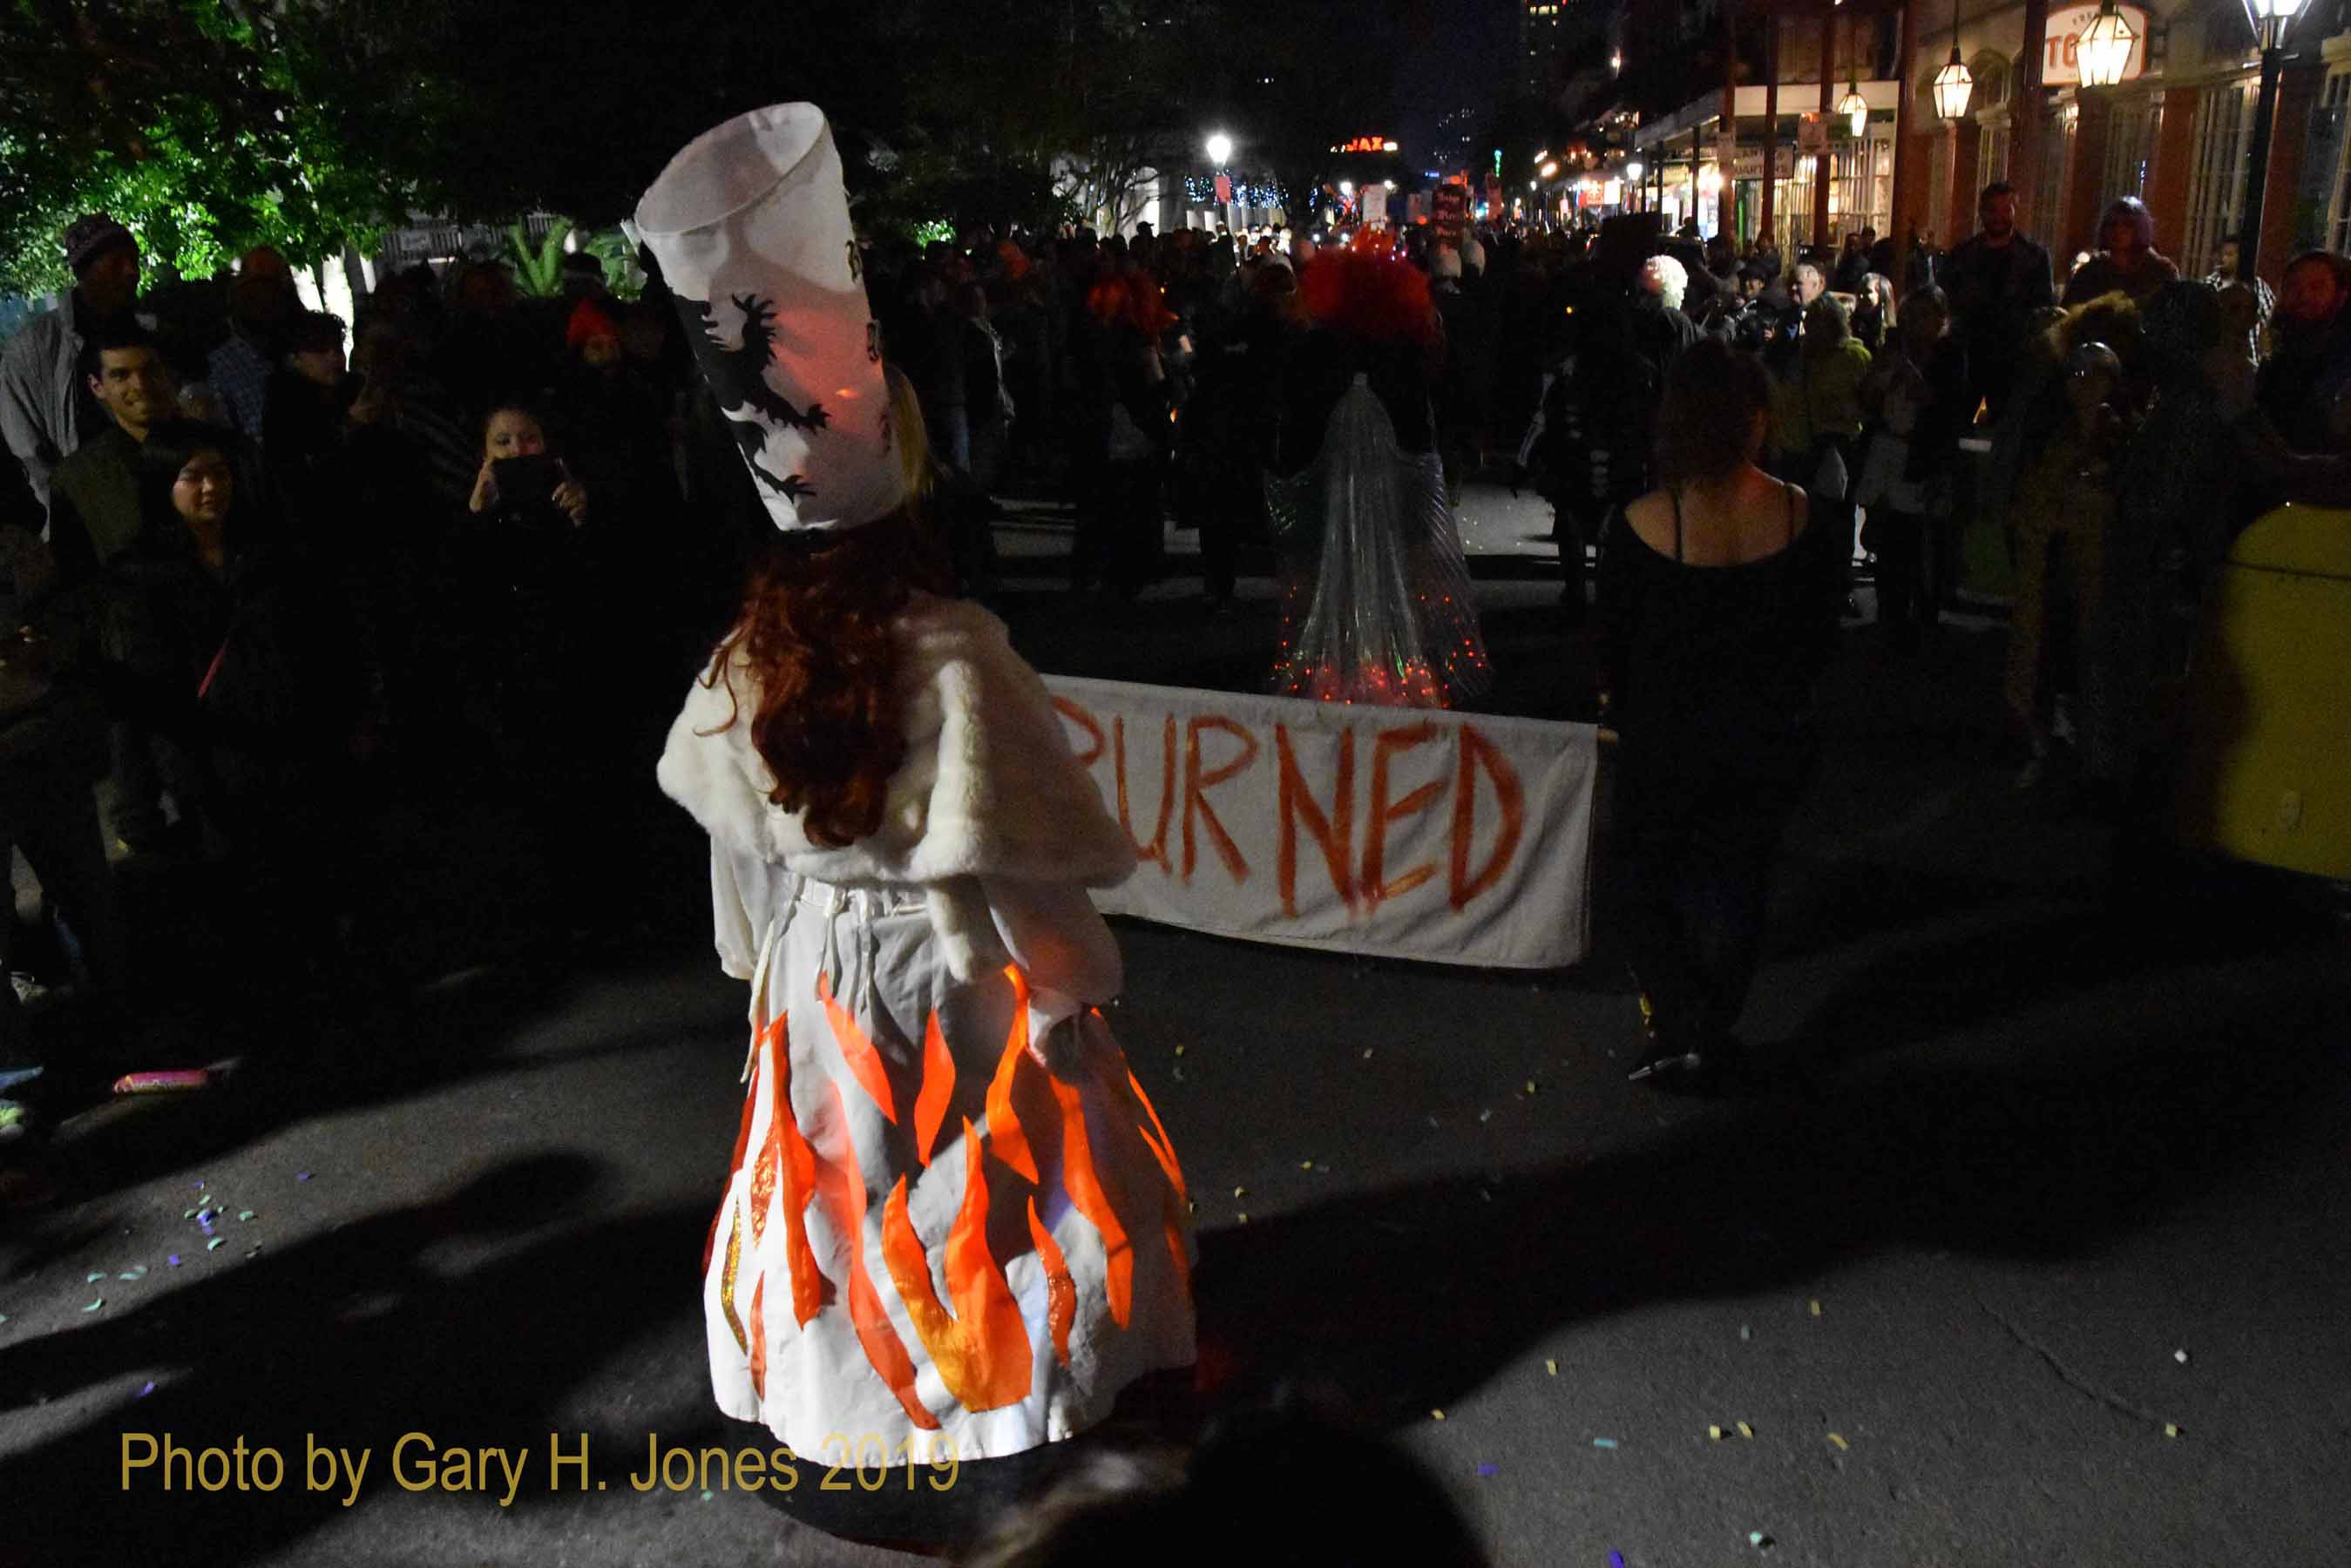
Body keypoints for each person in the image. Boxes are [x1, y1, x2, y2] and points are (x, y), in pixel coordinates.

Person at [639, 106, 1195, 1543]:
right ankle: (998, 1408)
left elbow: (737, 853)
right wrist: (1070, 982)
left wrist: (765, 968)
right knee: (984, 1193)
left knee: (848, 1189)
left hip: (823, 977)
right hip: (952, 977)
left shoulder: (742, 653)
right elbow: (1015, 857)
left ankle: (850, 1404)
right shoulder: (956, 646)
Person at [1599, 338, 1849, 1091]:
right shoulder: (1809, 518)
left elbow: (1616, 645)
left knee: (1641, 876)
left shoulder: (1646, 523)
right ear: (1757, 421)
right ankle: (1710, 1020)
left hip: (1666, 736)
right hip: (1767, 733)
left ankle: (1686, 1022)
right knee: (1740, 879)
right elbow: (1820, 637)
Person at [2006, 340, 2128, 792]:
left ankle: (2076, 747)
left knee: (2079, 654)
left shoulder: (2114, 430)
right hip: (2051, 556)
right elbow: (2039, 489)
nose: (2087, 386)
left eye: (2097, 378)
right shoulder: (2053, 431)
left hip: (2089, 565)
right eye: (2080, 377)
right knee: (2043, 653)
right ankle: (2038, 742)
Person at [1, 213, 147, 514]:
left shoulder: (152, 333)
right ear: (85, 270)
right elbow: (27, 452)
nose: (132, 271)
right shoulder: (32, 349)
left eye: (134, 261)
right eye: (117, 262)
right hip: (85, 517)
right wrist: (62, 521)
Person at [1942, 182, 2057, 422]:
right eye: (1992, 210)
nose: (1999, 217)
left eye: (2006, 210)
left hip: (2012, 356)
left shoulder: (2034, 257)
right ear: (1981, 212)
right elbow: (1947, 300)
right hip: (1969, 353)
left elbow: (2043, 307)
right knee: (1956, 421)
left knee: (2008, 425)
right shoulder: (1962, 255)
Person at [2254, 250, 2351, 455]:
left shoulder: (2341, 368)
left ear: (2342, 296)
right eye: (2292, 287)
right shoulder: (2279, 364)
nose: (2303, 296)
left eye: (2317, 287)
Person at [205, 247, 300, 446]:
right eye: (257, 286)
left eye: (274, 285)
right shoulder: (219, 365)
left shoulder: (303, 350)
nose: (265, 298)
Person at [2062, 197, 2179, 307]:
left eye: (2128, 225)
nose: (2118, 230)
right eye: (2112, 224)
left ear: (2141, 228)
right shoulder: (2092, 270)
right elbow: (2068, 312)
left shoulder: (2161, 271)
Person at [2202, 234, 2273, 358]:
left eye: (2229, 255)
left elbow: (2273, 321)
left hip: (2249, 362)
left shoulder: (2258, 286)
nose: (2224, 259)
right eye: (2222, 254)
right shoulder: (2207, 286)